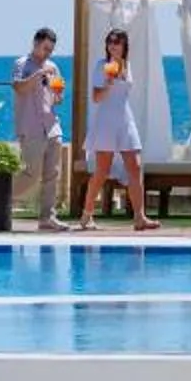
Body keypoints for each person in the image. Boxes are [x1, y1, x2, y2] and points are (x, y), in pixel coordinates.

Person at [77, 26, 157, 232]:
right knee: (102, 170)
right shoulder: (101, 66)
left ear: (124, 46)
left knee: (136, 166)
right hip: (106, 120)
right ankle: (86, 214)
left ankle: (140, 217)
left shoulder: (127, 66)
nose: (112, 45)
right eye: (110, 41)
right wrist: (108, 83)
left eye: (117, 42)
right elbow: (96, 97)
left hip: (125, 118)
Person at [12, 27, 70, 233]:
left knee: (52, 175)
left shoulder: (53, 67)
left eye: (51, 50)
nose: (48, 53)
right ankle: (3, 200)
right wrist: (38, 74)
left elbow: (57, 98)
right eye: (45, 48)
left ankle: (47, 217)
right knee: (31, 174)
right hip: (31, 128)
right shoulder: (21, 64)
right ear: (35, 43)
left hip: (52, 126)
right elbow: (19, 87)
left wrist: (59, 93)